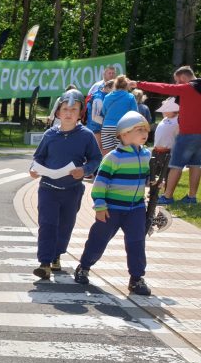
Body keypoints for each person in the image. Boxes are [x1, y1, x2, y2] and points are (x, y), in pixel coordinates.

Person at [73, 111, 153, 296]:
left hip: (136, 209)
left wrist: (154, 182)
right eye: (139, 130)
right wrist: (100, 206)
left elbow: (146, 177)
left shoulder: (146, 155)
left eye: (146, 130)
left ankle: (136, 278)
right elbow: (100, 183)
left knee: (136, 243)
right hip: (111, 209)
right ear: (124, 134)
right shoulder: (113, 157)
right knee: (98, 240)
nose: (145, 133)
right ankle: (84, 266)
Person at [28, 90, 101, 279]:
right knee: (47, 224)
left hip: (72, 190)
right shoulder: (50, 134)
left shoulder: (86, 135)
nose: (69, 113)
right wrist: (33, 169)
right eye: (65, 109)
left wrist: (84, 170)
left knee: (65, 225)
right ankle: (44, 263)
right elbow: (38, 157)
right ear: (58, 112)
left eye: (74, 109)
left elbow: (96, 159)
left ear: (80, 113)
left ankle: (57, 255)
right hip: (48, 189)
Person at [136, 66, 201, 206]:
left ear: (183, 78)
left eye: (177, 81)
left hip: (187, 135)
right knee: (196, 165)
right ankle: (192, 197)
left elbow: (163, 87)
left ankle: (167, 196)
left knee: (176, 165)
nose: (176, 84)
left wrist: (138, 84)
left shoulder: (187, 88)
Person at [100, 75, 137, 153]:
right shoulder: (130, 97)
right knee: (121, 152)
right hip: (122, 128)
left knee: (107, 153)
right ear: (127, 86)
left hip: (107, 127)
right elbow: (135, 113)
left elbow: (103, 111)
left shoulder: (107, 96)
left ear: (115, 85)